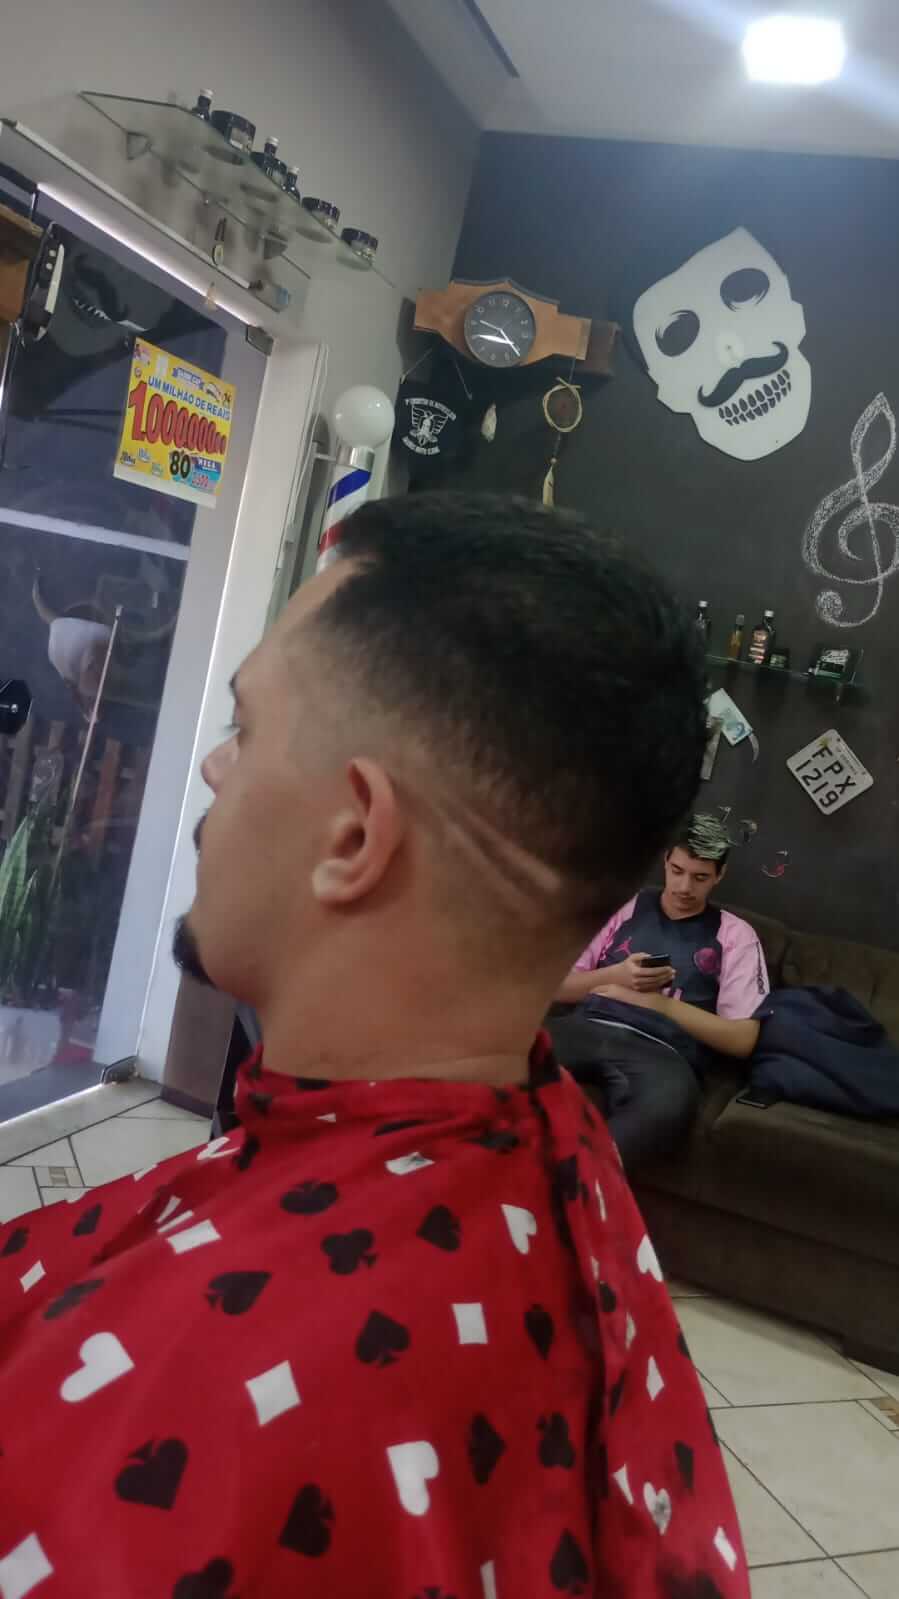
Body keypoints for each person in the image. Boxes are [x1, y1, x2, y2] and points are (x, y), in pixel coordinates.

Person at [0, 495, 749, 1599]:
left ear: (353, 833)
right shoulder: (560, 1172)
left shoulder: (205, 1410)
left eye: (246, 727)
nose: (214, 769)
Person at [549, 814, 770, 1171]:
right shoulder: (626, 906)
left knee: (668, 1107)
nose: (684, 887)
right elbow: (556, 988)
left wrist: (657, 1004)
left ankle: (578, 1182)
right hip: (587, 1027)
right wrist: (617, 976)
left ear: (720, 875)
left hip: (664, 1052)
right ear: (666, 860)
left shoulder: (736, 935)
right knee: (503, 1054)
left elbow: (742, 1039)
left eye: (700, 877)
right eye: (677, 871)